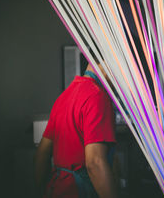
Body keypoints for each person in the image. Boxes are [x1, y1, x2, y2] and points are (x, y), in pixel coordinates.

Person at [34, 62, 118, 198]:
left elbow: (42, 154)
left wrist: (40, 192)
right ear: (107, 61)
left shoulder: (64, 96)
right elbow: (95, 163)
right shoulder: (98, 96)